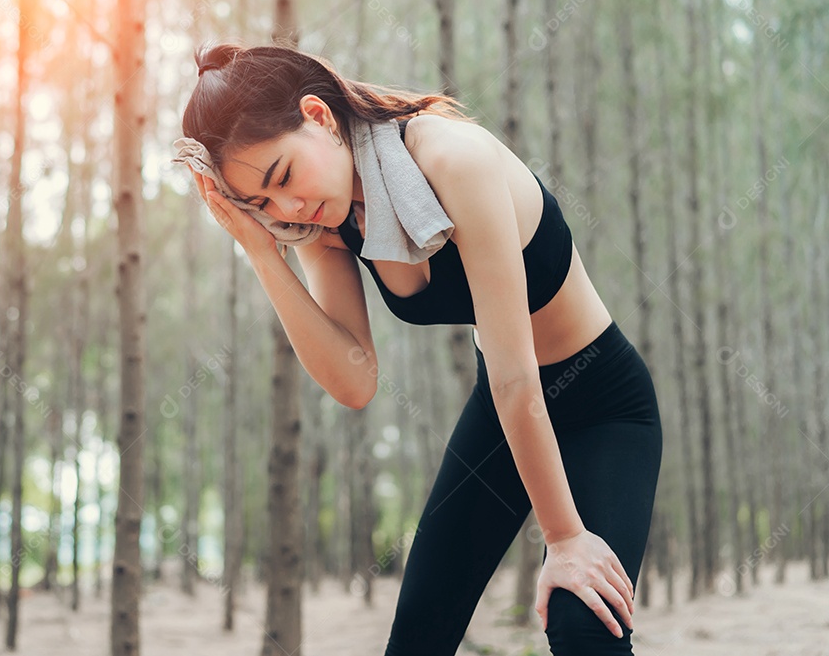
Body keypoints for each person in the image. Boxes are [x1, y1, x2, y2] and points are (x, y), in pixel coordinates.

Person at [175, 41, 662, 656]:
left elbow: (520, 378)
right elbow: (354, 382)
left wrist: (564, 539)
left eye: (283, 177)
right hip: (505, 412)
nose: (287, 207)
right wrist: (261, 250)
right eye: (262, 204)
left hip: (602, 405)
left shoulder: (451, 157)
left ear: (318, 116)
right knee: (417, 640)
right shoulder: (320, 223)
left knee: (582, 625)